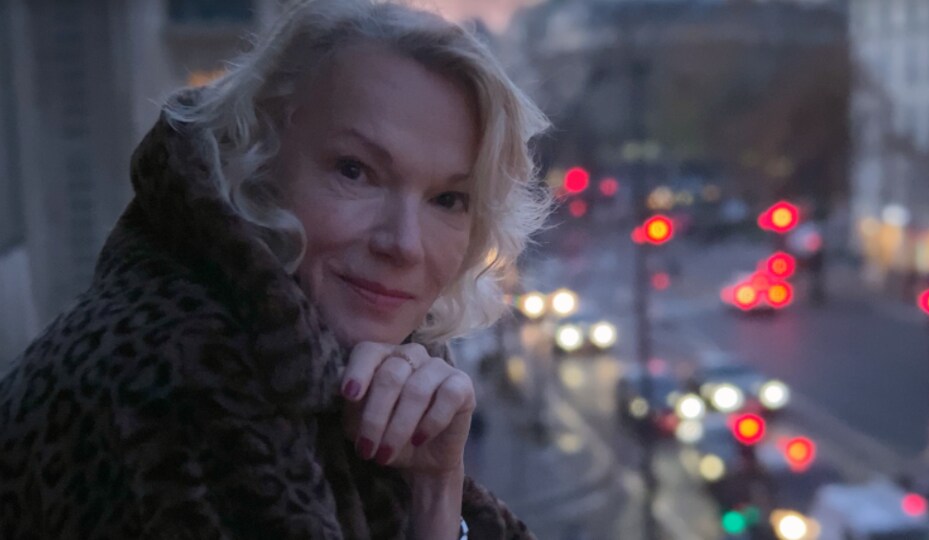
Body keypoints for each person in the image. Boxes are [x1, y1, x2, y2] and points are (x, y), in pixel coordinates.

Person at [0, 1, 553, 538]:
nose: (404, 244)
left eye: (449, 199)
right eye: (356, 171)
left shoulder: (316, 369)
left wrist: (436, 493)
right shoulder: (182, 390)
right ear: (258, 158)